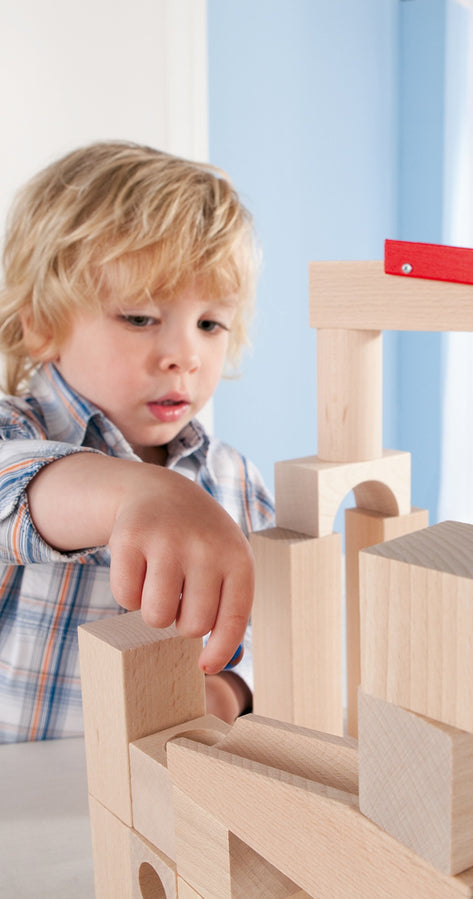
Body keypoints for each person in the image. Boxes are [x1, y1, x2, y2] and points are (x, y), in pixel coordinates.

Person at [0, 141, 274, 743]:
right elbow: (11, 489)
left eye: (210, 324)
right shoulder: (16, 430)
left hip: (158, 796)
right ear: (42, 325)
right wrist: (136, 491)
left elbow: (266, 636)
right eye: (140, 318)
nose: (183, 356)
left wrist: (227, 693)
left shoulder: (234, 479)